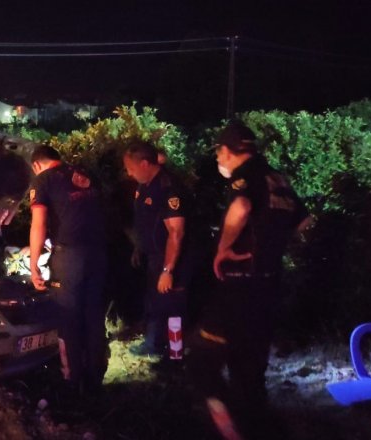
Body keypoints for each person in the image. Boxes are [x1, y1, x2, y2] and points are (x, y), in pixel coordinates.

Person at [188, 121, 312, 440]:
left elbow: (241, 208)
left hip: (238, 286)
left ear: (228, 151)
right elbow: (304, 223)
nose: (218, 159)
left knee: (203, 357)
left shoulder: (245, 179)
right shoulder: (277, 178)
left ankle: (227, 427)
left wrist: (224, 248)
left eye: (219, 152)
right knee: (250, 368)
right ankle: (257, 427)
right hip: (268, 285)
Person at [28, 145, 108, 394]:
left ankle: (71, 381)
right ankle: (96, 379)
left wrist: (33, 264)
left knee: (68, 318)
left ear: (37, 165)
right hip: (99, 254)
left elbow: (39, 224)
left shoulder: (43, 180)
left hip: (70, 258)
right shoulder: (83, 173)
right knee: (94, 317)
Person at [123, 140, 190, 359]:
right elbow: (144, 221)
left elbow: (176, 233)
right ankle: (153, 344)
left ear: (144, 164)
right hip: (152, 256)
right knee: (154, 303)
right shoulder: (145, 186)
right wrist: (138, 248)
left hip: (171, 258)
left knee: (172, 310)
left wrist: (168, 270)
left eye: (131, 169)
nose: (129, 174)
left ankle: (175, 354)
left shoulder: (168, 188)